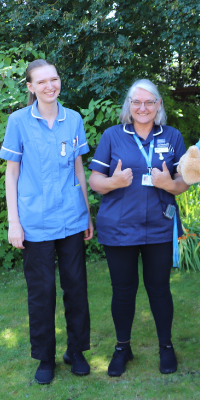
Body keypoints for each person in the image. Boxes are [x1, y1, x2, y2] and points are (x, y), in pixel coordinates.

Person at [1, 59, 94, 384]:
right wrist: (14, 221)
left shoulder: (74, 120)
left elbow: (79, 168)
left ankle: (77, 351)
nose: (49, 86)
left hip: (71, 218)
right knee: (42, 292)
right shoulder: (18, 121)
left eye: (53, 79)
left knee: (76, 288)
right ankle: (45, 357)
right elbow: (11, 175)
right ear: (30, 87)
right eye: (41, 82)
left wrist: (86, 213)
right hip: (35, 221)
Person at [88, 79, 189, 377]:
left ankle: (166, 347)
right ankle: (122, 348)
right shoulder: (112, 136)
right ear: (128, 107)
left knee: (159, 290)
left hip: (159, 226)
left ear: (158, 105)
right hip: (120, 228)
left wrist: (169, 184)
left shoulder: (172, 136)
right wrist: (113, 183)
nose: (142, 108)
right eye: (136, 102)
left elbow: (183, 182)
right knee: (123, 291)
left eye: (149, 102)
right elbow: (95, 181)